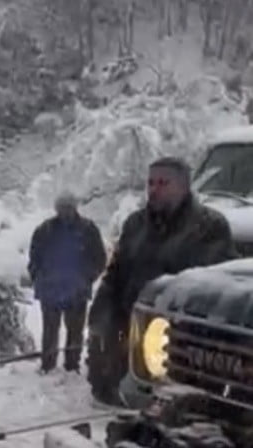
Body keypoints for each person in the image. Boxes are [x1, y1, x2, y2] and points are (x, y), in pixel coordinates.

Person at [88, 155, 235, 403]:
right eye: (150, 183)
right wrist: (100, 321)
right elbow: (115, 274)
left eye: (163, 183)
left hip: (176, 337)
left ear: (183, 187)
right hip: (130, 325)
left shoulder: (209, 227)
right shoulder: (135, 224)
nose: (154, 190)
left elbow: (212, 291)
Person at [27, 192, 107, 374]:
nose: (65, 212)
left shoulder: (88, 229)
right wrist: (39, 278)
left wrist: (87, 278)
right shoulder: (45, 230)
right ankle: (47, 364)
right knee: (49, 330)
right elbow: (34, 258)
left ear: (75, 207)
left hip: (77, 291)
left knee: (75, 331)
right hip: (50, 290)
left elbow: (100, 258)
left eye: (68, 208)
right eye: (61, 208)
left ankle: (72, 364)